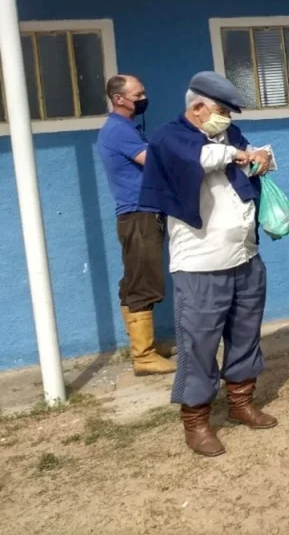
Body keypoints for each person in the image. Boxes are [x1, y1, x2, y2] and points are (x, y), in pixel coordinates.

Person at [139, 71, 278, 458]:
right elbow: (200, 158)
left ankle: (240, 402)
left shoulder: (229, 136)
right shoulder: (170, 136)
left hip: (245, 255)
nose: (227, 120)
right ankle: (197, 421)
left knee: (245, 332)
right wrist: (237, 154)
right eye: (221, 111)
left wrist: (260, 159)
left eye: (231, 114)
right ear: (197, 107)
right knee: (199, 343)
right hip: (200, 264)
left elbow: (248, 160)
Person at [97, 74, 176, 376]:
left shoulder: (126, 128)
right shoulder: (119, 130)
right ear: (119, 99)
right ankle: (143, 356)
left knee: (134, 279)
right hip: (139, 214)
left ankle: (146, 346)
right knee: (143, 281)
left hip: (141, 212)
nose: (143, 98)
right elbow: (154, 163)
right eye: (138, 94)